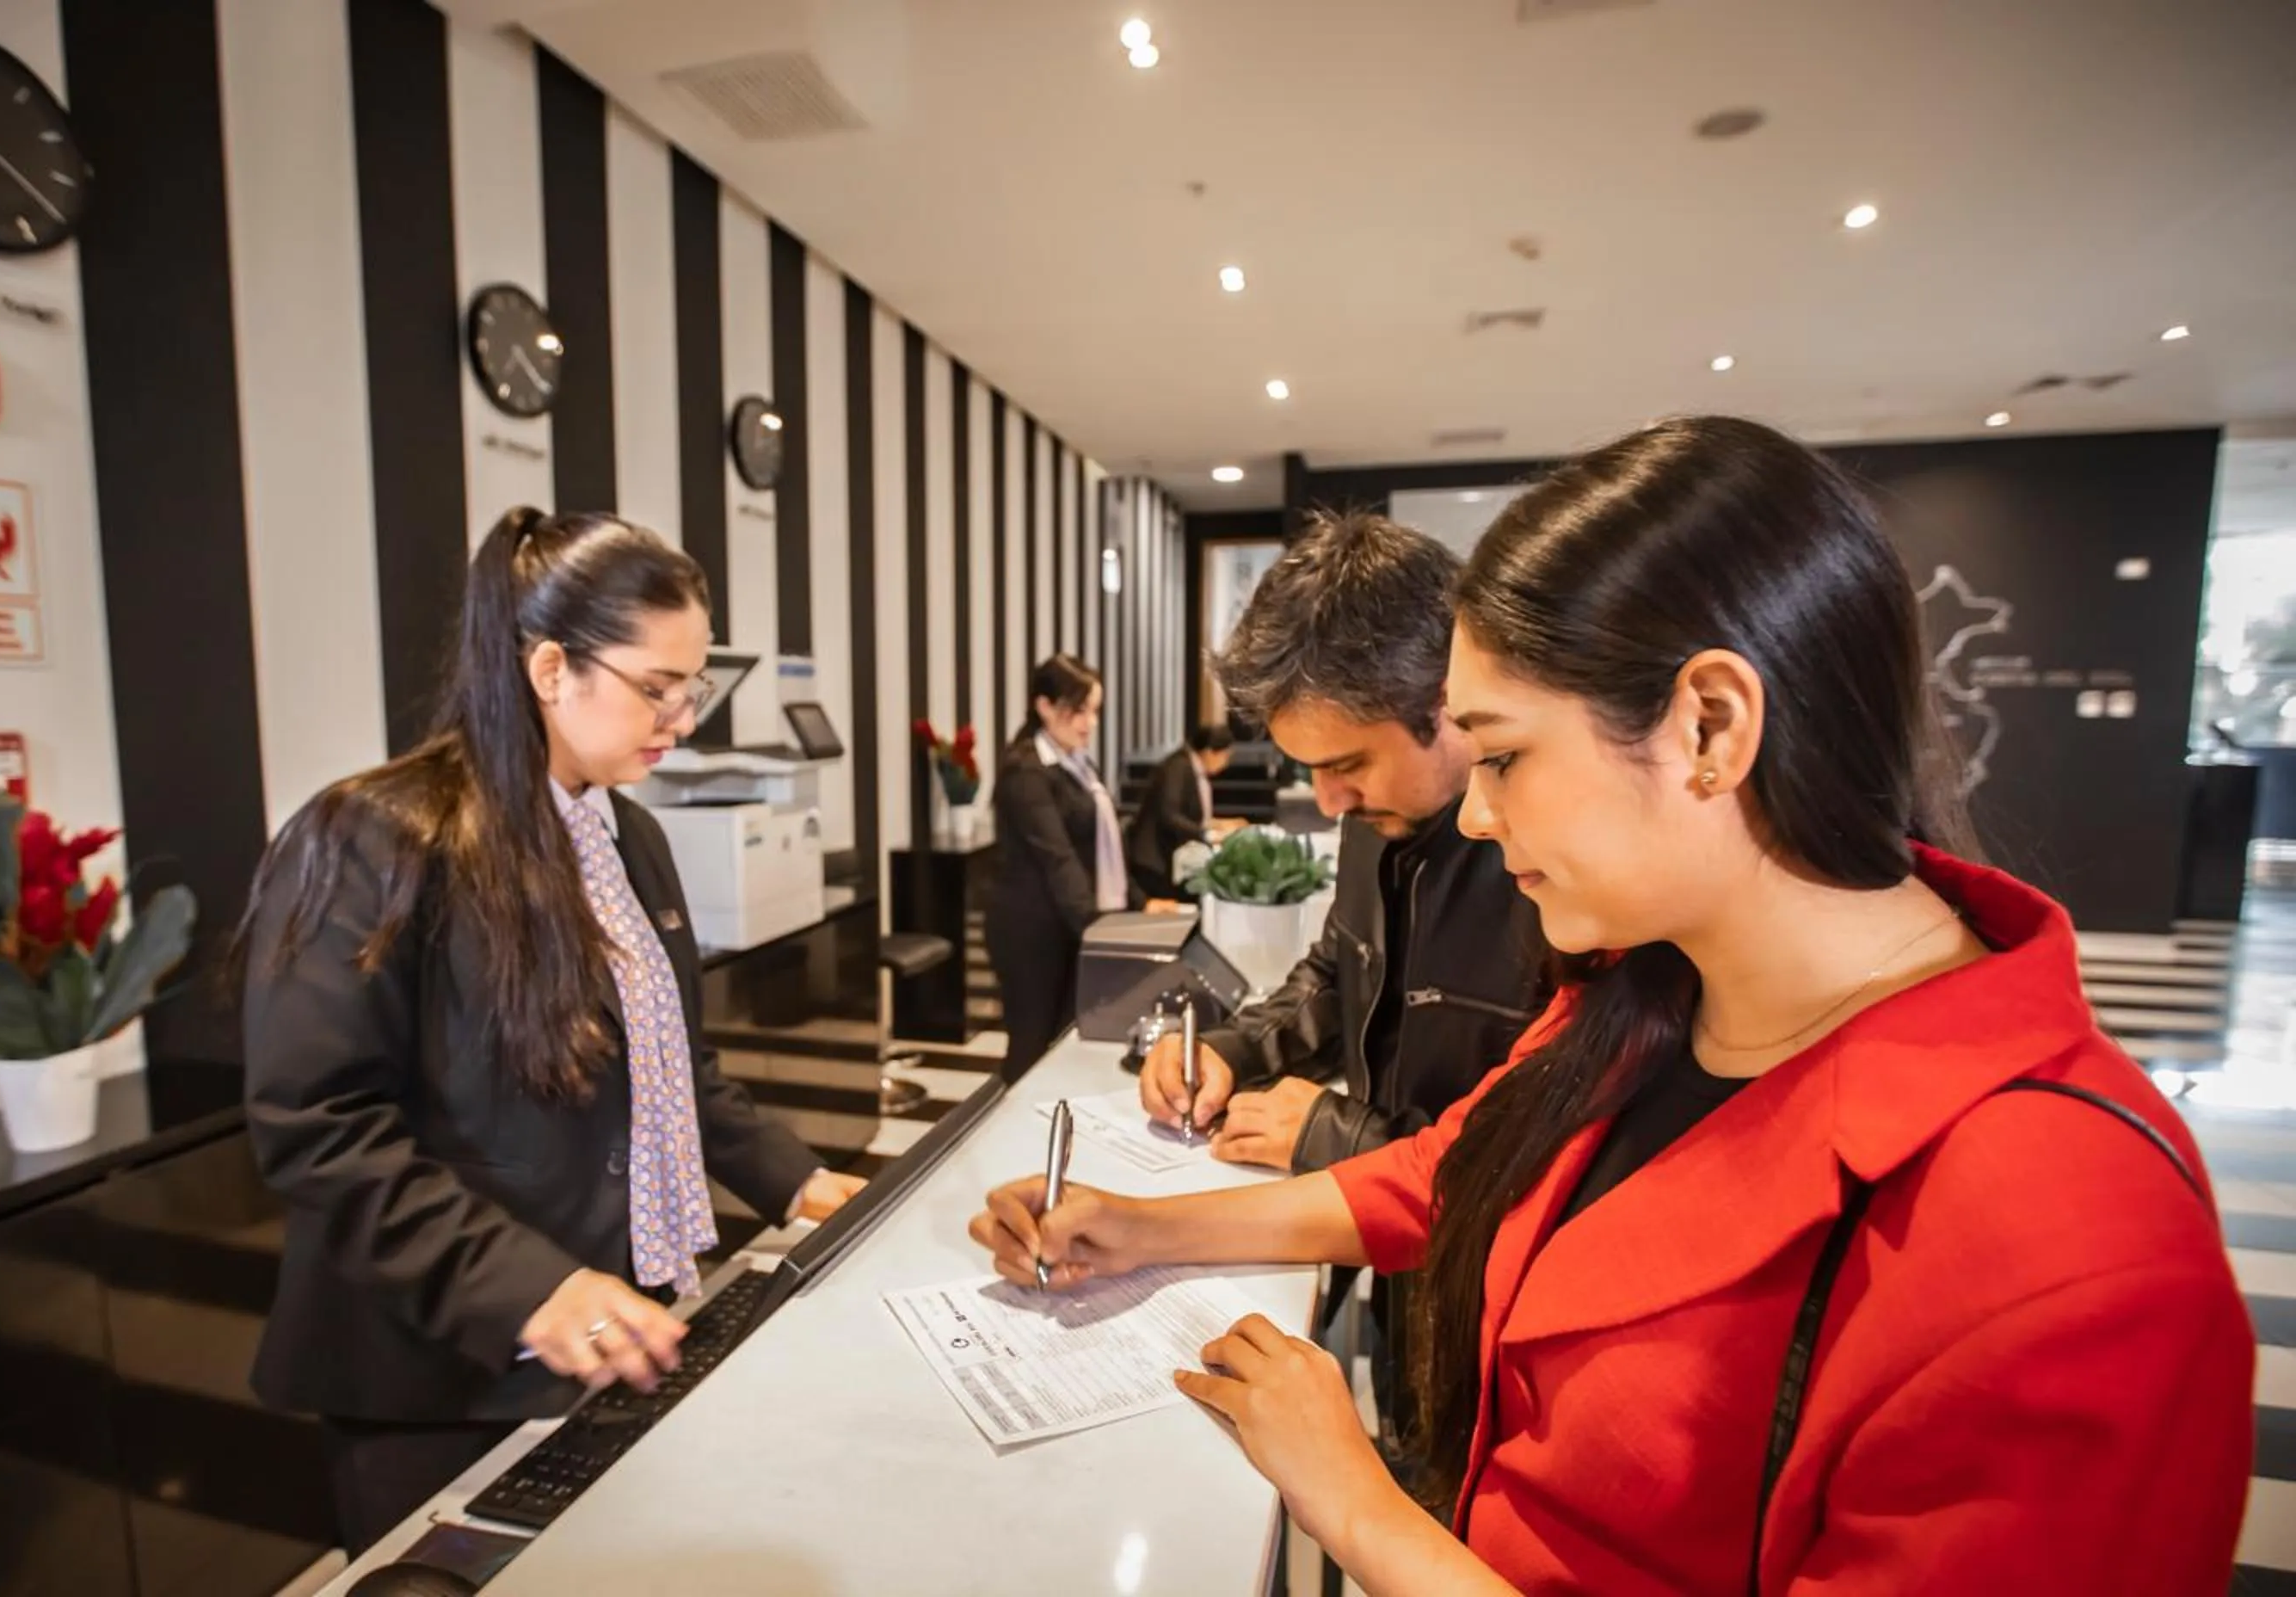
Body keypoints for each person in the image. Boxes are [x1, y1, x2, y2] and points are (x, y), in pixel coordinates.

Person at [976, 418, 2250, 1594]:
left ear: (1708, 725)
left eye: (1511, 756)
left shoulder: (2075, 1243)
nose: (1475, 812)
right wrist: (1139, 1227)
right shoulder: (1644, 995)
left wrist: (1363, 1508)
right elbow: (1448, 1176)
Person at [238, 509, 865, 1552]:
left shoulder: (632, 835)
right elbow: (322, 1131)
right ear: (547, 667)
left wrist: (800, 1182)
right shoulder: (379, 835)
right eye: (656, 687)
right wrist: (536, 1286)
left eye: (692, 686)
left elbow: (673, 1068)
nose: (682, 717)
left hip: (608, 1337)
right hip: (443, 1375)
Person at [1140, 514, 1544, 1173]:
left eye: (1348, 765)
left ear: (1447, 702)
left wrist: (1340, 1136)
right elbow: (1339, 972)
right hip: (1380, 1240)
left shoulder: (1550, 858)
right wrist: (1232, 1051)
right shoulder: (1374, 821)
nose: (1330, 803)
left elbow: (1547, 1160)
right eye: (1311, 769)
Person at [988, 653, 1154, 1076]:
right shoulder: (1026, 770)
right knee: (1031, 1045)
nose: (1089, 722)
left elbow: (1103, 845)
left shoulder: (1077, 763)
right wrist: (1100, 931)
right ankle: (1014, 1135)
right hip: (1032, 931)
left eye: (1094, 710)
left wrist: (1139, 902)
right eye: (1078, 710)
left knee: (1065, 1042)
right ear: (1044, 706)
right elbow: (1058, 857)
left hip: (1068, 922)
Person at [1124, 721, 1242, 901]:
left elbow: (1194, 815)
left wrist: (1224, 823)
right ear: (1210, 752)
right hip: (1154, 860)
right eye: (1225, 756)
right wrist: (1207, 834)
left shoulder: (1190, 767)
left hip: (1165, 858)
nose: (1225, 764)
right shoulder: (1178, 767)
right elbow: (1170, 815)